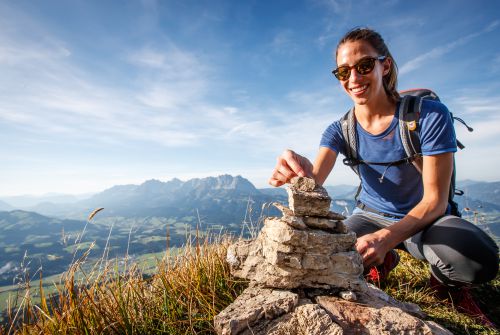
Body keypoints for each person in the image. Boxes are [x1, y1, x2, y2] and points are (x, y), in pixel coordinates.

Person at [268, 27, 499, 327]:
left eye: (364, 66)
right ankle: (385, 261)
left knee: (477, 258)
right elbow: (315, 179)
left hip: (426, 221)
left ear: (384, 65)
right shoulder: (340, 130)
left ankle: (445, 287)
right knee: (327, 256)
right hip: (370, 217)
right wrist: (295, 167)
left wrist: (386, 238)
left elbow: (435, 201)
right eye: (343, 72)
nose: (353, 78)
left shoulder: (429, 116)